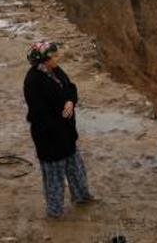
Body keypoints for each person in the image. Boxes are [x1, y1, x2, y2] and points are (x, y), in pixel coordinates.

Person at [23, 41, 94, 219]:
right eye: (54, 56)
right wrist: (59, 122)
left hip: (67, 134)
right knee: (54, 176)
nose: (58, 57)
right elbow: (39, 113)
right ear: (44, 60)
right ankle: (55, 211)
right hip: (49, 138)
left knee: (76, 167)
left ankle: (82, 196)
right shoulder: (33, 81)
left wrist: (71, 101)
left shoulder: (56, 71)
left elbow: (70, 88)